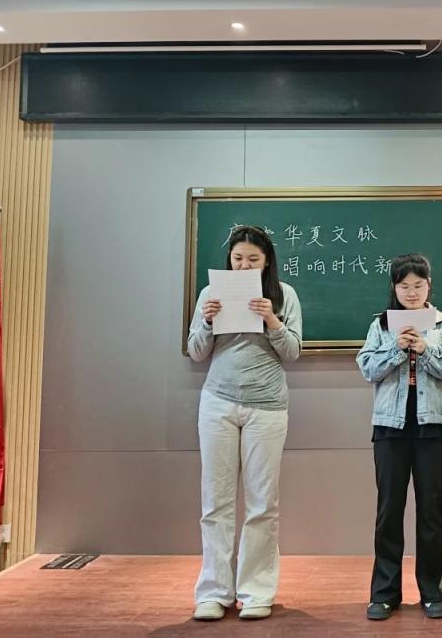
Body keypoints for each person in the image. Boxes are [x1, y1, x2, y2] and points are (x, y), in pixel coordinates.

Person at [187, 225, 302, 621]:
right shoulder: (211, 293)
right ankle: (214, 592)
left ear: (266, 262)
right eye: (238, 259)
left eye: (253, 259)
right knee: (215, 501)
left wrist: (272, 320)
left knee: (262, 503)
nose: (243, 265)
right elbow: (196, 352)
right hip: (217, 403)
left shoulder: (284, 295)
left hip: (266, 407)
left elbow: (293, 351)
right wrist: (206, 322)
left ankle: (256, 591)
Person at [357, 254, 442, 621]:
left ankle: (433, 592)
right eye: (404, 286)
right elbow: (367, 368)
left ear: (428, 286)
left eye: (418, 285)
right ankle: (384, 593)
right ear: (394, 287)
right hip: (389, 427)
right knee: (389, 510)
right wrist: (396, 348)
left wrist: (426, 348)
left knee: (431, 510)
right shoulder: (381, 324)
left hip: (431, 427)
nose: (411, 292)